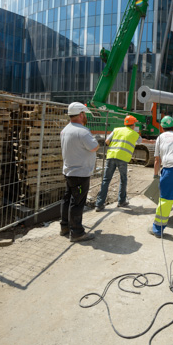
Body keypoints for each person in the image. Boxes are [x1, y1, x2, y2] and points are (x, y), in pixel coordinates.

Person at [60, 102, 99, 242]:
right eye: (85, 114)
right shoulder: (82, 131)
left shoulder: (65, 129)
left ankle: (64, 227)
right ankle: (77, 232)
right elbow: (95, 147)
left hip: (69, 171)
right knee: (77, 203)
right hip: (80, 173)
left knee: (67, 200)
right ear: (81, 114)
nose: (86, 116)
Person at [95, 115, 141, 212]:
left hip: (111, 156)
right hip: (123, 158)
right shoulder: (134, 134)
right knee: (123, 179)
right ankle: (121, 201)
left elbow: (107, 141)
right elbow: (141, 141)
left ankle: (99, 205)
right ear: (133, 125)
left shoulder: (116, 130)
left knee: (106, 180)